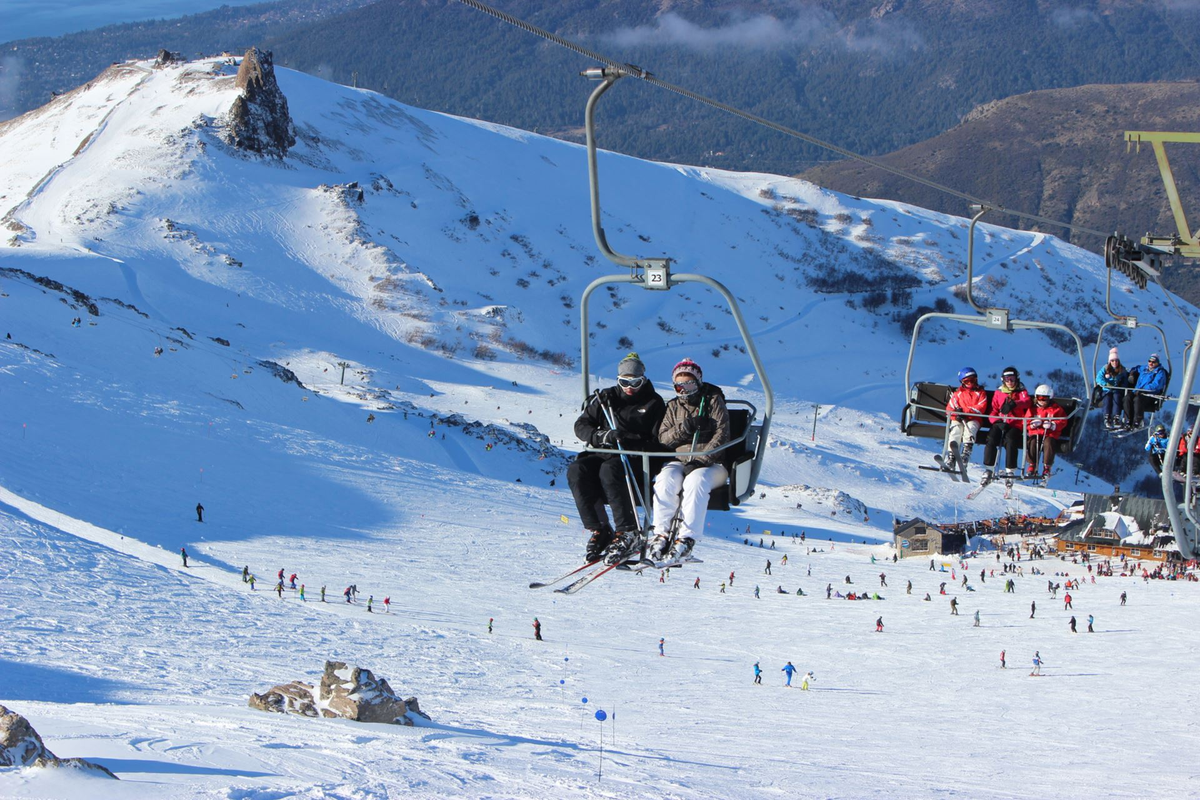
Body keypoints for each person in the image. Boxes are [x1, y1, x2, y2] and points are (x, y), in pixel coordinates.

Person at [569, 353, 666, 564]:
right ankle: (600, 528)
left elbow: (660, 439)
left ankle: (628, 530)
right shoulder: (606, 399)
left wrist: (631, 442)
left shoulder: (653, 403)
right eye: (624, 382)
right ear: (618, 379)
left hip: (636, 460)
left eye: (635, 382)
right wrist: (600, 436)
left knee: (610, 470)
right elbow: (581, 425)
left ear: (644, 380)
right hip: (605, 452)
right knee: (578, 470)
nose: (629, 387)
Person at [646, 358, 731, 564]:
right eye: (679, 386)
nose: (684, 390)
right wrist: (686, 427)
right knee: (665, 479)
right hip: (681, 460)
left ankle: (686, 539)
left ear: (698, 382)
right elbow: (664, 438)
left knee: (696, 481)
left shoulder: (713, 401)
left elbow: (723, 434)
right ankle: (661, 534)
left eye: (690, 384)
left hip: (712, 464)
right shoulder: (673, 406)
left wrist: (703, 459)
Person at [983, 366, 1030, 480]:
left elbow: (1027, 402)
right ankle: (989, 468)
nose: (1009, 382)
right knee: (992, 438)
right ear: (1003, 380)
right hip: (1001, 422)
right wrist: (997, 421)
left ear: (1017, 379)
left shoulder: (1021, 391)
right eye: (1007, 379)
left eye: (1012, 379)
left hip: (1015, 424)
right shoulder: (999, 392)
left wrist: (1014, 404)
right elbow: (993, 411)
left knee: (1010, 440)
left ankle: (1010, 470)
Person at [945, 367, 987, 466]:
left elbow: (980, 408)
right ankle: (951, 456)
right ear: (962, 382)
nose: (970, 383)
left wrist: (964, 411)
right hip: (959, 419)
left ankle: (966, 453)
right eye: (967, 381)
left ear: (976, 380)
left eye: (972, 380)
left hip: (974, 418)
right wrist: (956, 416)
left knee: (970, 428)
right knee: (956, 430)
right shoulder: (958, 394)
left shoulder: (980, 393)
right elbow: (949, 409)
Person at [1024, 385, 1067, 480]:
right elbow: (1025, 421)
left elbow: (1063, 421)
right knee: (1032, 442)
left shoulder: (1056, 409)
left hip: (1049, 434)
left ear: (1050, 398)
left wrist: (1053, 425)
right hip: (1036, 433)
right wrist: (1031, 425)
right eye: (1040, 398)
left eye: (1045, 398)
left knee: (1049, 443)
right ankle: (1032, 465)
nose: (1042, 401)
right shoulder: (1032, 409)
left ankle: (1047, 467)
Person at [1123, 353, 1169, 431]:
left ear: (1157, 363)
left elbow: (1156, 385)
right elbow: (1137, 368)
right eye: (1149, 361)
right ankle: (1127, 420)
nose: (1151, 363)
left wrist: (1142, 389)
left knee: (1138, 399)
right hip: (1137, 391)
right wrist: (1132, 372)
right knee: (1127, 398)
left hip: (1150, 394)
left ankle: (1138, 420)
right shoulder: (1144, 368)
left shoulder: (1160, 372)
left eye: (1153, 362)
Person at [1096, 347, 1128, 430]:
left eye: (1116, 360)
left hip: (1117, 390)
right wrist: (1105, 383)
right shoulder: (1105, 368)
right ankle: (1107, 417)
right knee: (1107, 398)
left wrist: (1122, 386)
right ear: (1110, 361)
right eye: (1112, 361)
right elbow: (1098, 378)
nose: (1115, 362)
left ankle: (1116, 417)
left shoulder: (1122, 370)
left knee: (1117, 398)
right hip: (1107, 390)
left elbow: (1125, 380)